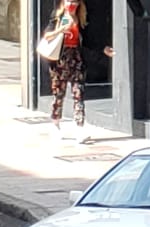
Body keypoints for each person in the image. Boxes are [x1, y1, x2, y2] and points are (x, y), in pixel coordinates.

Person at [45, 0, 88, 135]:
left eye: (74, 1)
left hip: (76, 58)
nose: (71, 4)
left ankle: (79, 127)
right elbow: (47, 36)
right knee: (59, 93)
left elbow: (87, 40)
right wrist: (60, 30)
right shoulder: (58, 17)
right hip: (60, 59)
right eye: (69, 1)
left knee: (78, 92)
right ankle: (55, 121)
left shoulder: (80, 19)